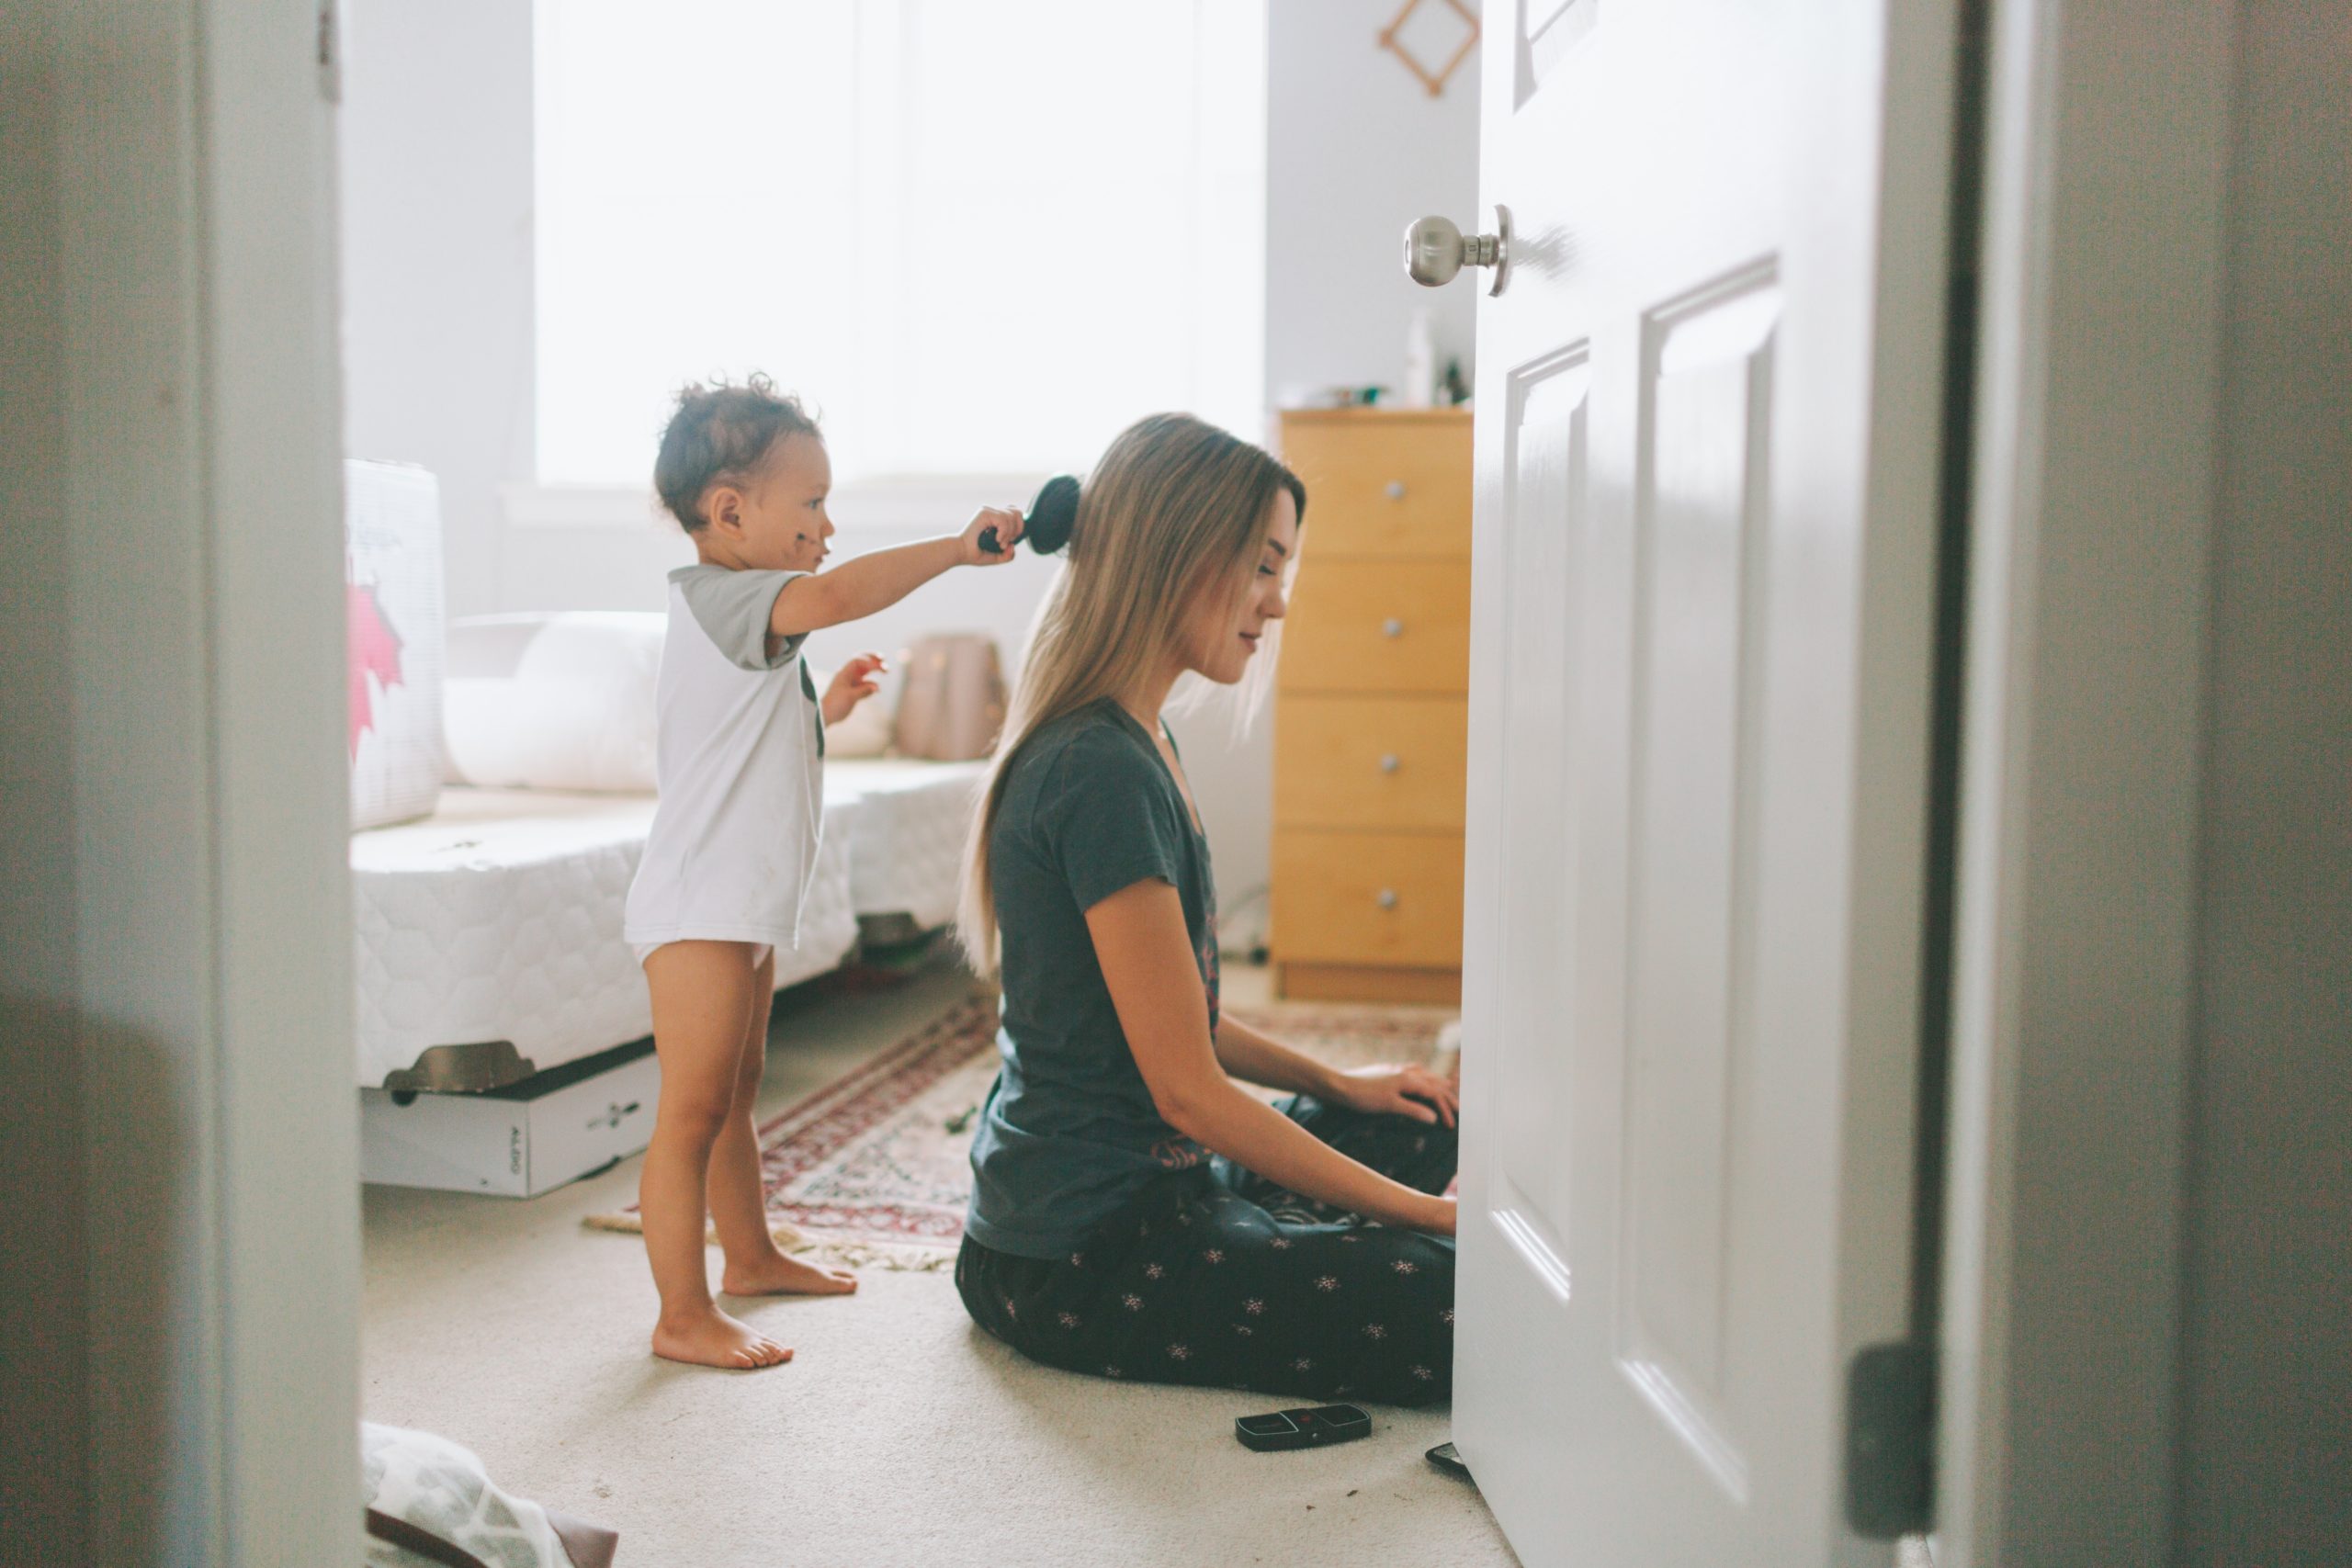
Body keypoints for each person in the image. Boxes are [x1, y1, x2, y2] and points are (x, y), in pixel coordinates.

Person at [954, 413, 1460, 1406]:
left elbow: (1179, 1021)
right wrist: (1428, 1222)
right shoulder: (1095, 771)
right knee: (1473, 1307)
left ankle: (1324, 1231)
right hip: (1079, 1255)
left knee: (1422, 1118)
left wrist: (1343, 1083)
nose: (1278, 603)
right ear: (1181, 551)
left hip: (1171, 1188)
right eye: (1265, 566)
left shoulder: (1138, 741)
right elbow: (1187, 1092)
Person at [624, 375, 1024, 1370]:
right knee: (689, 1111)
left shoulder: (748, 623)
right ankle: (680, 1313)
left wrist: (825, 712)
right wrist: (953, 549)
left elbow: (751, 744)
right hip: (698, 908)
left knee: (735, 1092)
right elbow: (839, 596)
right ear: (728, 512)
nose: (827, 525)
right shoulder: (727, 598)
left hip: (736, 906)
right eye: (810, 505)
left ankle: (750, 1257)